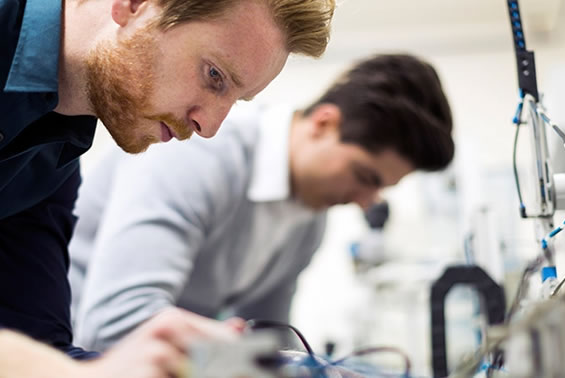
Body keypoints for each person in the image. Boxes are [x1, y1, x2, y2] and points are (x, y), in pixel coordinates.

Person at [0, 0, 333, 373]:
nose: (209, 127)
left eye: (235, 101)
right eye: (214, 76)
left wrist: (205, 367)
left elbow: (38, 346)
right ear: (135, 5)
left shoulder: (51, 156)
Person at [69, 54, 455, 351]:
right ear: (323, 123)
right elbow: (115, 326)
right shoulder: (200, 152)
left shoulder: (308, 219)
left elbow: (270, 336)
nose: (365, 202)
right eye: (365, 177)